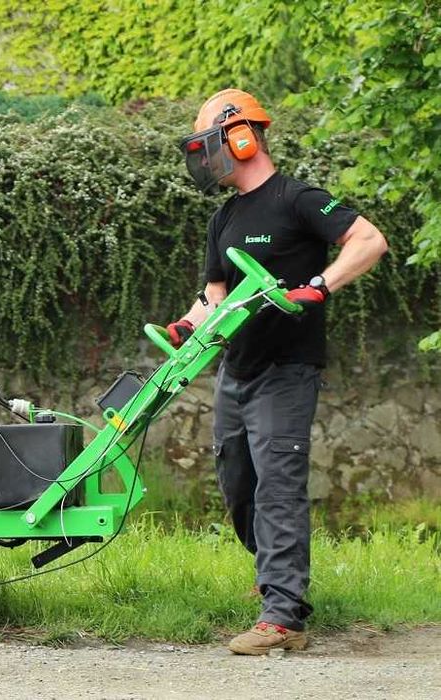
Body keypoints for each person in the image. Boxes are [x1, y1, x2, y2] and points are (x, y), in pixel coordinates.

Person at [166, 88, 388, 655]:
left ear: (242, 138)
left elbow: (369, 240)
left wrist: (319, 286)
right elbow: (214, 293)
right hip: (235, 371)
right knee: (237, 482)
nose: (205, 159)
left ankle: (284, 616)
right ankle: (274, 581)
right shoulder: (224, 217)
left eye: (211, 146)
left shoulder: (298, 200)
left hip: (287, 370)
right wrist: (188, 323)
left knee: (278, 487)